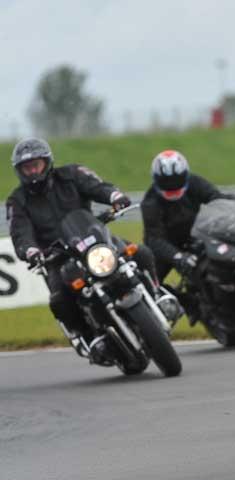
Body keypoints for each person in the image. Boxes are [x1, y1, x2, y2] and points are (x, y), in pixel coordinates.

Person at [5, 137, 155, 358]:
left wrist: (114, 196)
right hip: (57, 257)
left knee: (140, 253)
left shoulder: (72, 175)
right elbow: (20, 232)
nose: (33, 172)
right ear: (19, 171)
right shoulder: (18, 201)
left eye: (36, 165)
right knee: (59, 299)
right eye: (27, 168)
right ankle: (87, 337)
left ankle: (156, 294)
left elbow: (97, 186)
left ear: (47, 163)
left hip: (93, 240)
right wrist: (31, 251)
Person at [141, 149, 233, 282]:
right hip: (167, 245)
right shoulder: (150, 202)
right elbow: (154, 238)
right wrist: (177, 256)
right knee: (149, 282)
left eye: (176, 180)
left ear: (185, 175)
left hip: (198, 235)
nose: (172, 186)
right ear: (156, 179)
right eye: (166, 182)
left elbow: (217, 198)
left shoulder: (194, 182)